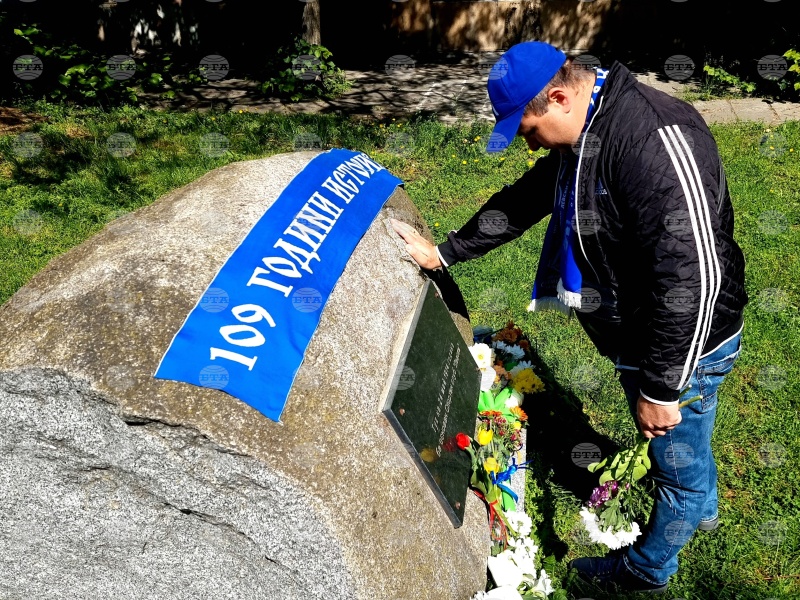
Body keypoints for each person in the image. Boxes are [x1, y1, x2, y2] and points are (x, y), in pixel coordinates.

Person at [390, 41, 747, 594]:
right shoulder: (589, 125)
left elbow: (693, 279)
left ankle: (648, 569)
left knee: (675, 464)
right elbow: (528, 197)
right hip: (643, 338)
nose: (528, 144)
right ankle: (701, 510)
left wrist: (661, 387)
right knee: (688, 445)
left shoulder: (651, 142)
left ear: (558, 97)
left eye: (528, 130)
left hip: (683, 347)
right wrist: (447, 252)